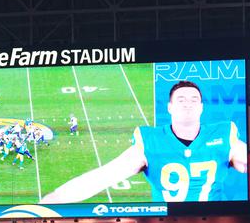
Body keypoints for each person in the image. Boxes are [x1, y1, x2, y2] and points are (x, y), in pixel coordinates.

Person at [42, 81, 247, 204]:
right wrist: (54, 200)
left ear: (202, 107)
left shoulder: (224, 135)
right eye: (181, 99)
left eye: (194, 99)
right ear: (169, 107)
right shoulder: (150, 141)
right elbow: (103, 176)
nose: (188, 103)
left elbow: (243, 161)